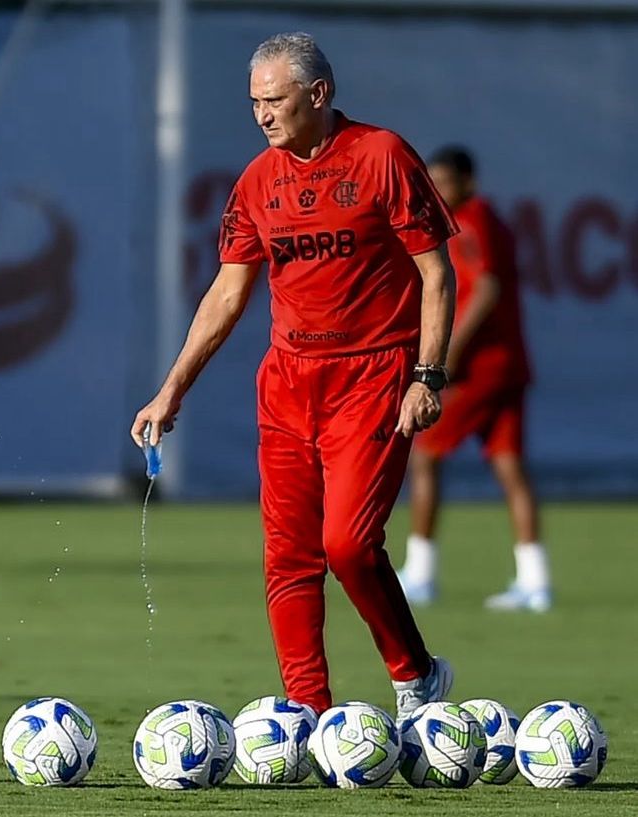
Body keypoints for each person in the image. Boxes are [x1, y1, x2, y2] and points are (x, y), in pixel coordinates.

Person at [131, 33, 458, 721]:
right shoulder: (257, 180)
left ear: (318, 93)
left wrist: (427, 375)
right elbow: (227, 293)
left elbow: (436, 272)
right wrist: (171, 388)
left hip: (373, 375)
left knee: (348, 543)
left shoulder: (381, 156)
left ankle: (416, 674)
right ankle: (306, 713)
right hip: (287, 381)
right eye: (253, 102)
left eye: (273, 100)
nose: (261, 115)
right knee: (288, 554)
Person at [397, 146, 551, 612]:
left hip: (480, 368)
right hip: (509, 364)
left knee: (423, 456)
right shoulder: (486, 219)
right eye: (433, 181)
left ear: (468, 183)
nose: (438, 191)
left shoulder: (472, 219)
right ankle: (535, 579)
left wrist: (448, 356)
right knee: (509, 467)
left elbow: (485, 289)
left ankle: (420, 574)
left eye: (445, 182)